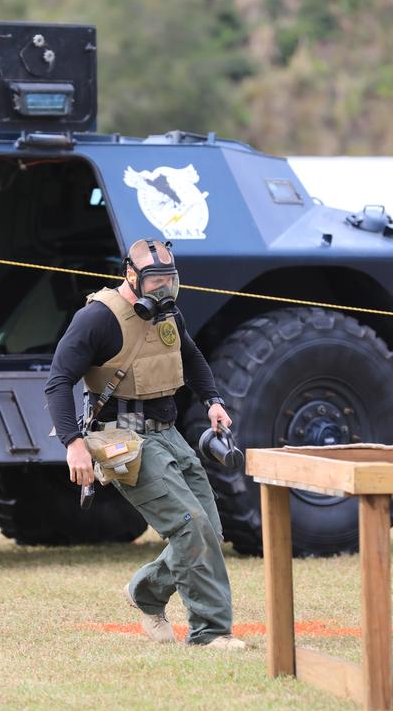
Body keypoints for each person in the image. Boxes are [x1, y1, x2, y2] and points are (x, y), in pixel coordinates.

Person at [44, 238, 245, 649]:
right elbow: (57, 382)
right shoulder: (97, 318)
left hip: (168, 432)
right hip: (124, 439)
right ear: (130, 275)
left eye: (170, 280)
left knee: (210, 526)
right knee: (190, 526)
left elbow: (191, 358)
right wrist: (73, 443)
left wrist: (213, 402)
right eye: (155, 281)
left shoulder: (169, 315)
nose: (164, 290)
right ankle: (210, 633)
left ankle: (146, 592)